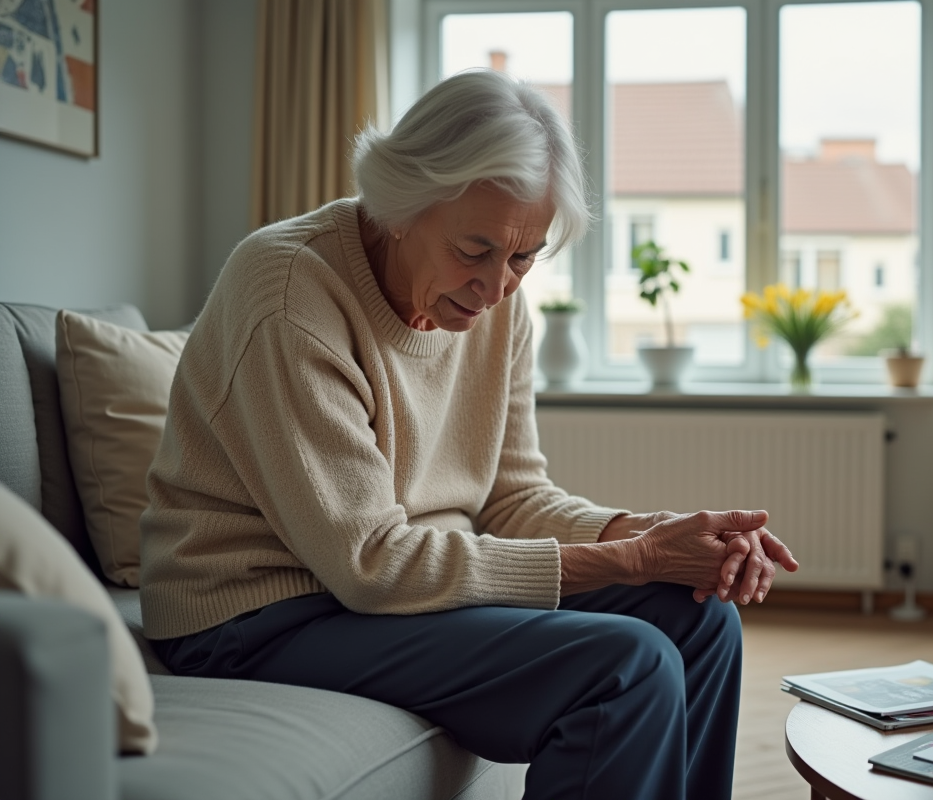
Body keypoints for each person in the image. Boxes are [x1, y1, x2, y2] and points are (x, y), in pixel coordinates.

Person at [140, 70, 798, 800]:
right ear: (399, 207)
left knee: (699, 622)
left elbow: (511, 497)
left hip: (385, 587)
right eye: (474, 250)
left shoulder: (499, 309)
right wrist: (634, 558)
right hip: (255, 614)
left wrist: (658, 536)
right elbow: (369, 564)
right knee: (625, 665)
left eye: (523, 257)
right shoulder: (291, 294)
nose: (496, 289)